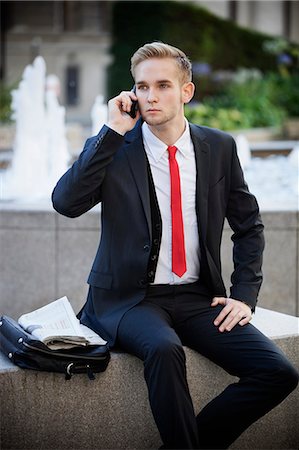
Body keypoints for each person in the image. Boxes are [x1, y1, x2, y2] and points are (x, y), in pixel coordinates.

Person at [52, 42, 298, 449]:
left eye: (163, 85)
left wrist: (244, 296)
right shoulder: (115, 148)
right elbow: (66, 203)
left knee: (279, 372)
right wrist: (111, 131)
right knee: (165, 350)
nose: (150, 96)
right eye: (142, 86)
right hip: (129, 300)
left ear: (186, 91)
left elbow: (249, 226)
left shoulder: (218, 147)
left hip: (197, 297)